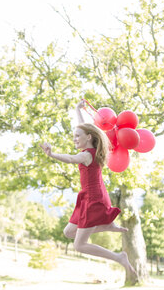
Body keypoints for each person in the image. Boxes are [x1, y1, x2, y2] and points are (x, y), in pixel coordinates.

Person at [40, 99, 136, 275]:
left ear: (88, 138)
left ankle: (119, 257)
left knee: (79, 245)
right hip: (90, 195)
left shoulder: (86, 155)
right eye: (74, 136)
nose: (75, 139)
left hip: (93, 198)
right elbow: (83, 128)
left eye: (77, 136)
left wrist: (52, 154)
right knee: (69, 232)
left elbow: (70, 158)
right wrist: (78, 110)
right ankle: (106, 225)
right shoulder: (91, 151)